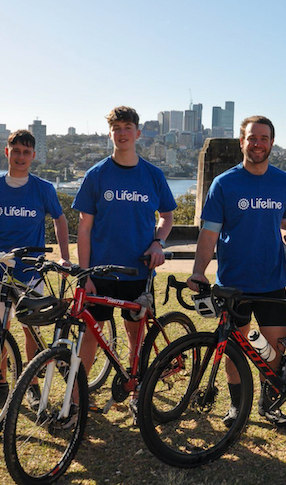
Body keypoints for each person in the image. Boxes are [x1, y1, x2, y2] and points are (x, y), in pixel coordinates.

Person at [188, 115, 286, 427]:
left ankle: (268, 403)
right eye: (252, 138)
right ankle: (236, 405)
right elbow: (209, 234)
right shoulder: (225, 183)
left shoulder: (283, 182)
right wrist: (198, 271)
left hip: (272, 280)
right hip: (234, 284)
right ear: (242, 142)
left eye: (264, 138)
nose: (258, 144)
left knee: (274, 353)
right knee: (234, 351)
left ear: (271, 142)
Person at [72, 106, 176, 403]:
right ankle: (79, 398)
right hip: (100, 273)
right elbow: (84, 228)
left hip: (138, 272)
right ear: (110, 134)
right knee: (92, 334)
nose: (122, 133)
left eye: (127, 127)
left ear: (138, 133)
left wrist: (158, 242)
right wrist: (85, 274)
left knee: (136, 335)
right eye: (116, 128)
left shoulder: (153, 175)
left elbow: (167, 216)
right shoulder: (96, 175)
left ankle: (136, 390)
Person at [0, 129, 72, 410]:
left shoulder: (43, 189)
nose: (21, 157)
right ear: (7, 153)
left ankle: (31, 384)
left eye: (26, 152)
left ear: (33, 156)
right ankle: (0, 384)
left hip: (30, 272)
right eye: (16, 151)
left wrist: (64, 257)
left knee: (31, 330)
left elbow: (60, 221)